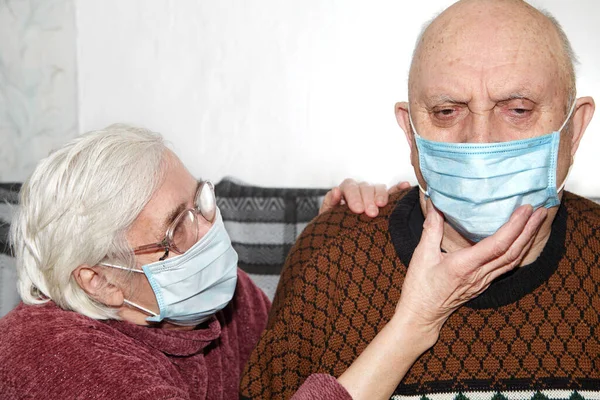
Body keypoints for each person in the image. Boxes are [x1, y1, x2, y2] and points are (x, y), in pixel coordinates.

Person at [240, 0, 598, 399]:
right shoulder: (331, 258)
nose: (479, 140)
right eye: (446, 111)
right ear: (411, 132)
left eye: (517, 109)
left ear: (576, 126)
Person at [0, 123, 423, 399]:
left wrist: (332, 246)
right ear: (100, 281)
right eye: (175, 228)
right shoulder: (58, 358)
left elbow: (293, 358)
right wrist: (413, 326)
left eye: (198, 201)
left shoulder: (220, 295)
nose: (208, 230)